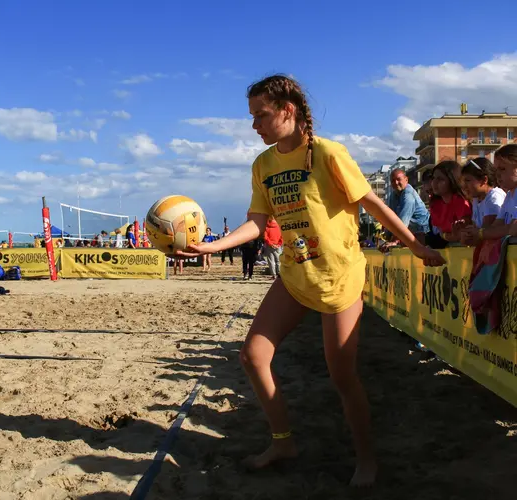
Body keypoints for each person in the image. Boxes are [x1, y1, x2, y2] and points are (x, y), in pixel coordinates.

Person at [177, 74, 444, 487]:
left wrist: (416, 245)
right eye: (252, 117)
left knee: (342, 376)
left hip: (338, 277)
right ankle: (283, 442)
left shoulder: (328, 153)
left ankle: (366, 458)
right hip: (295, 274)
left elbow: (371, 203)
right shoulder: (263, 165)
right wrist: (212, 248)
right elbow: (257, 223)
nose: (254, 126)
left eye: (260, 116)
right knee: (253, 356)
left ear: (288, 110)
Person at [461, 145, 517, 244]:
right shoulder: (509, 195)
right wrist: (471, 234)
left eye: (503, 169)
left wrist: (480, 233)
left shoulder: (496, 196)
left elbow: (514, 228)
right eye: (496, 170)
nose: (498, 174)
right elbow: (496, 227)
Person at [427, 160, 472, 248]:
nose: (434, 183)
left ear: (452, 180)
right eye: (433, 178)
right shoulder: (436, 204)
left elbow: (462, 235)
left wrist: (445, 236)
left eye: (440, 179)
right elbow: (440, 233)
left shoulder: (461, 202)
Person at [387, 168, 430, 240]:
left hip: (424, 231)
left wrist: (395, 240)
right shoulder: (393, 195)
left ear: (406, 180)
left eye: (398, 179)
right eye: (393, 181)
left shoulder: (408, 195)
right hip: (411, 231)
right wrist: (386, 236)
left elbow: (403, 224)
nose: (396, 183)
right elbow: (390, 218)